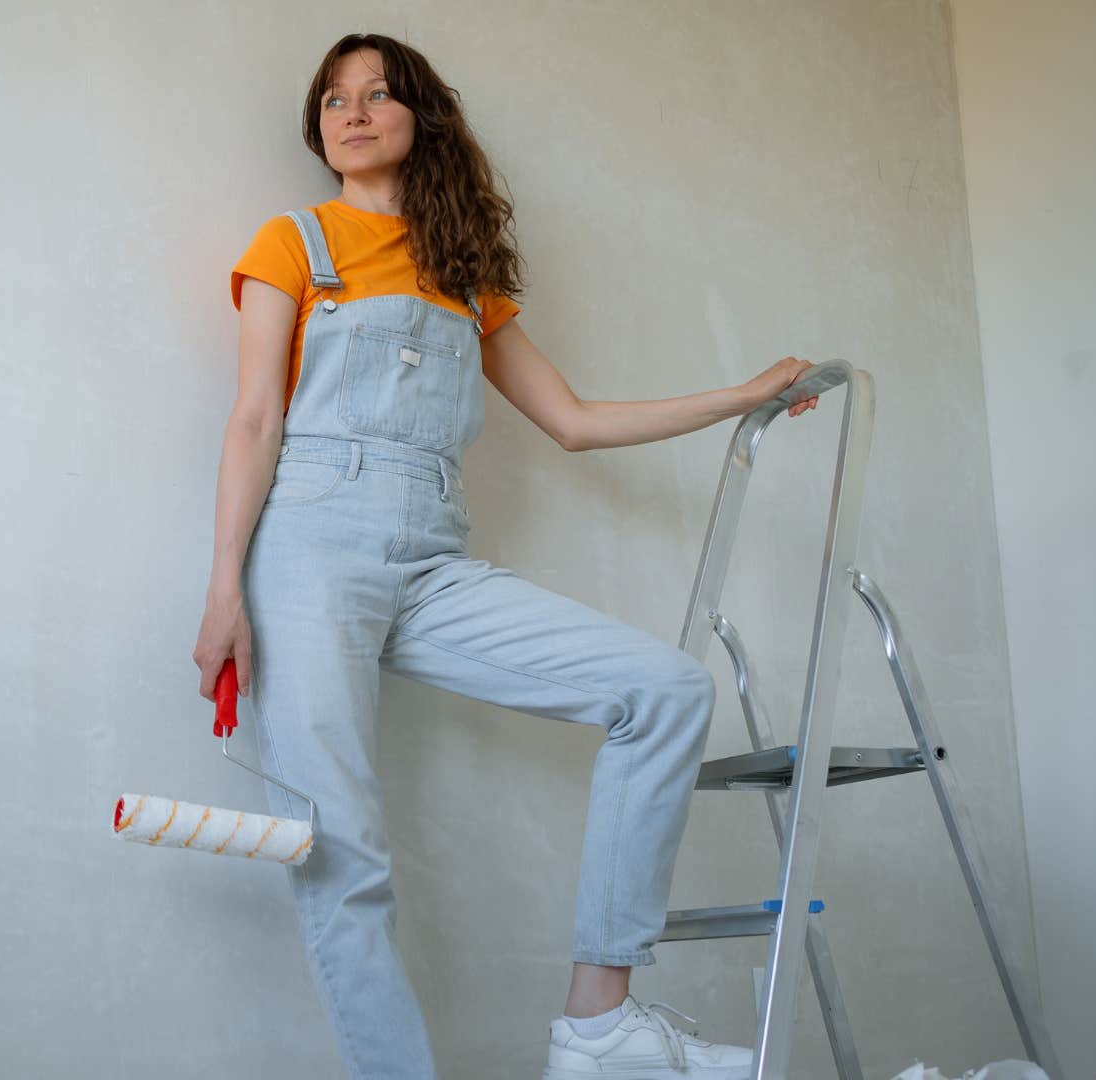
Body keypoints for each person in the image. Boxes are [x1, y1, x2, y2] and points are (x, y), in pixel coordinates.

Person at [192, 33, 819, 1080]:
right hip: (308, 547)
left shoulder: (463, 279)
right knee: (342, 850)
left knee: (659, 692)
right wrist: (226, 589)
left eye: (379, 94)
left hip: (431, 554)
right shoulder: (296, 242)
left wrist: (739, 396)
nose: (353, 112)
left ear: (419, 116)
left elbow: (571, 421)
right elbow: (254, 419)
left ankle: (599, 1027)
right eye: (334, 99)